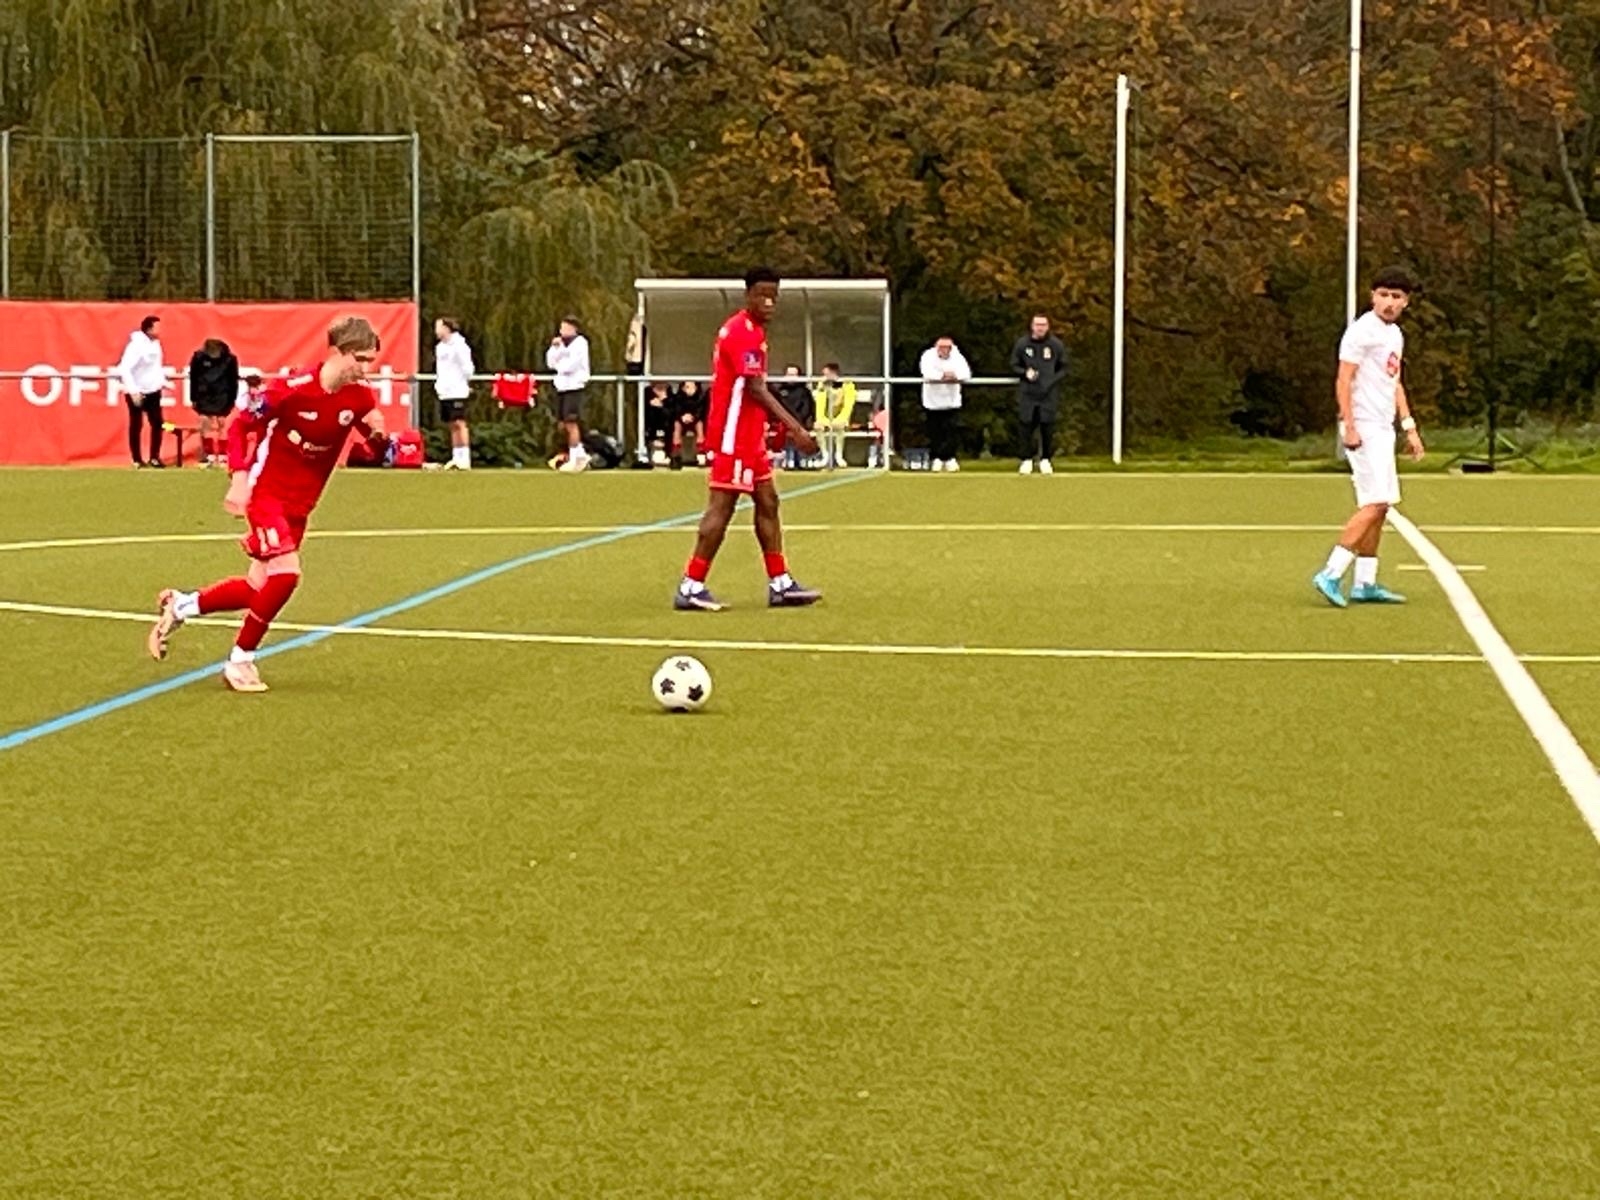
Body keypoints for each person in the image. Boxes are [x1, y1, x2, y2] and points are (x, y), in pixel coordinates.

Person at [146, 316, 389, 693]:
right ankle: (240, 660)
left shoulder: (359, 397)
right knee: (287, 574)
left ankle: (182, 605)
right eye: (360, 359)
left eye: (371, 361)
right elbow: (241, 426)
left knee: (257, 587)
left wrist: (378, 437)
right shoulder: (291, 389)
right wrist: (239, 478)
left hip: (301, 505)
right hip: (267, 495)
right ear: (337, 352)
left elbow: (370, 450)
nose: (366, 369)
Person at [674, 266, 822, 611]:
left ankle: (780, 583)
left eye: (773, 296)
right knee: (722, 507)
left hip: (749, 436)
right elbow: (755, 388)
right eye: (761, 295)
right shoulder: (741, 332)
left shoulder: (754, 331)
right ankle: (691, 585)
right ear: (748, 296)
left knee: (768, 502)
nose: (768, 302)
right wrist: (795, 428)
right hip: (733, 436)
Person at [1312, 266, 1426, 607]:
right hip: (1363, 426)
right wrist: (1349, 425)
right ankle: (1331, 572)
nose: (1389, 302)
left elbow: (1394, 382)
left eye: (1396, 296)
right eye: (1383, 295)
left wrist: (1409, 426)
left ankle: (1365, 582)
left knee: (1380, 505)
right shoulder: (1361, 332)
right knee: (1376, 502)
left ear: (1406, 302)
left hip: (1383, 427)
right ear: (1372, 296)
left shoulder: (1395, 335)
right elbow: (1343, 379)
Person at [1010, 314, 1067, 474]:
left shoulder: (1056, 345)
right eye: (1037, 324)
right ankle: (1026, 459)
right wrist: (1024, 373)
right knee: (1026, 426)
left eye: (1043, 325)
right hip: (1028, 393)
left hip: (1048, 394)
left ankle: (1045, 459)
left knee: (1047, 426)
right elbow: (1014, 364)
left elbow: (1064, 368)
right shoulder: (1022, 344)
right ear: (1032, 326)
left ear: (1047, 327)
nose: (1040, 328)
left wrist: (1051, 380)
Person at [118, 314, 166, 468]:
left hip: (153, 390)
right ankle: (137, 459)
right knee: (136, 424)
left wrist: (160, 383)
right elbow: (125, 368)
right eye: (157, 327)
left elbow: (155, 367)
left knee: (157, 423)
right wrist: (133, 391)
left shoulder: (156, 344)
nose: (160, 330)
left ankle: (154, 457)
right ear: (149, 329)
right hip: (137, 391)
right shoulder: (136, 346)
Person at [547, 316, 592, 472]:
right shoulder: (560, 344)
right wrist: (555, 349)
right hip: (561, 386)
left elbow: (570, 366)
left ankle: (574, 459)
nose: (562, 331)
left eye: (565, 328)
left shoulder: (580, 343)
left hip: (574, 386)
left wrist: (560, 363)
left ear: (574, 329)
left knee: (571, 422)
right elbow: (550, 362)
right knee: (563, 424)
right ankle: (581, 454)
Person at [920, 335, 971, 472]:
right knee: (935, 431)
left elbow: (966, 373)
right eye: (941, 347)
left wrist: (954, 376)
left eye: (947, 347)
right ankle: (936, 458)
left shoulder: (957, 357)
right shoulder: (928, 356)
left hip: (951, 401)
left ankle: (950, 458)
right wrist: (942, 376)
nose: (944, 350)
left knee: (951, 430)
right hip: (932, 402)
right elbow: (926, 372)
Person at [188, 337, 239, 467]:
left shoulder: (230, 359)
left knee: (222, 424)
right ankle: (208, 455)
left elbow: (233, 381)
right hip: (204, 395)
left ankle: (222, 456)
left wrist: (232, 400)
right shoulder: (198, 357)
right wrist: (193, 398)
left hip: (223, 395)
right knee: (205, 423)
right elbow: (193, 378)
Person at [434, 317, 475, 470]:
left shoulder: (459, 345)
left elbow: (468, 368)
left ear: (447, 328)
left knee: (459, 423)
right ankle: (456, 457)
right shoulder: (440, 347)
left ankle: (465, 458)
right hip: (445, 391)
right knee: (452, 424)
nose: (436, 331)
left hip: (457, 390)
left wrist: (462, 382)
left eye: (439, 327)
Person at [812, 363, 856, 470]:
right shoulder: (822, 385)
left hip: (842, 417)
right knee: (818, 426)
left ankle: (839, 456)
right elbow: (820, 405)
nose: (824, 377)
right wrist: (822, 419)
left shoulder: (848, 384)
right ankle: (825, 456)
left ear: (834, 373)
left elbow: (848, 405)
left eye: (826, 374)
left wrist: (841, 419)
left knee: (840, 426)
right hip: (826, 418)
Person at [771, 364, 815, 470]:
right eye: (789, 374)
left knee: (798, 432)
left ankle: (801, 459)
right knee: (783, 431)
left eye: (794, 375)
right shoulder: (779, 391)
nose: (791, 377)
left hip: (800, 422)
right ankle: (787, 458)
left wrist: (796, 421)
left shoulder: (804, 391)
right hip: (781, 422)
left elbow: (807, 409)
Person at [673, 379, 707, 467]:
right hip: (682, 419)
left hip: (695, 420)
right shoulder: (679, 397)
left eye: (692, 387)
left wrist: (693, 417)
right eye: (687, 387)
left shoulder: (701, 397)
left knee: (700, 425)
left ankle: (701, 451)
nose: (689, 390)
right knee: (677, 425)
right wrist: (682, 416)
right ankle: (676, 453)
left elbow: (701, 411)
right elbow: (676, 410)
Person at [644, 380, 676, 465]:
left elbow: (673, 412)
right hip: (650, 424)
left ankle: (670, 455)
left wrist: (663, 404)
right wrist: (650, 404)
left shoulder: (671, 395)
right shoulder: (646, 393)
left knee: (672, 425)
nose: (661, 385)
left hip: (667, 425)